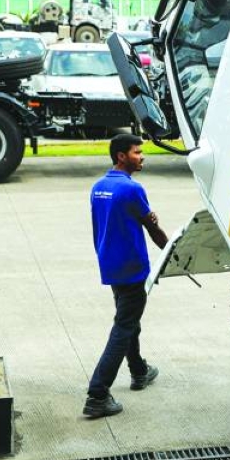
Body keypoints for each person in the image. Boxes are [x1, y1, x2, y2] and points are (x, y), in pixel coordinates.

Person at [83, 134, 169, 419]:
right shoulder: (132, 190)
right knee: (123, 327)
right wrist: (172, 250)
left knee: (129, 320)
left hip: (110, 265)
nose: (142, 156)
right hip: (132, 269)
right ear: (121, 156)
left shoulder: (98, 187)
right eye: (137, 152)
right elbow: (153, 230)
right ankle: (98, 394)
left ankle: (139, 371)